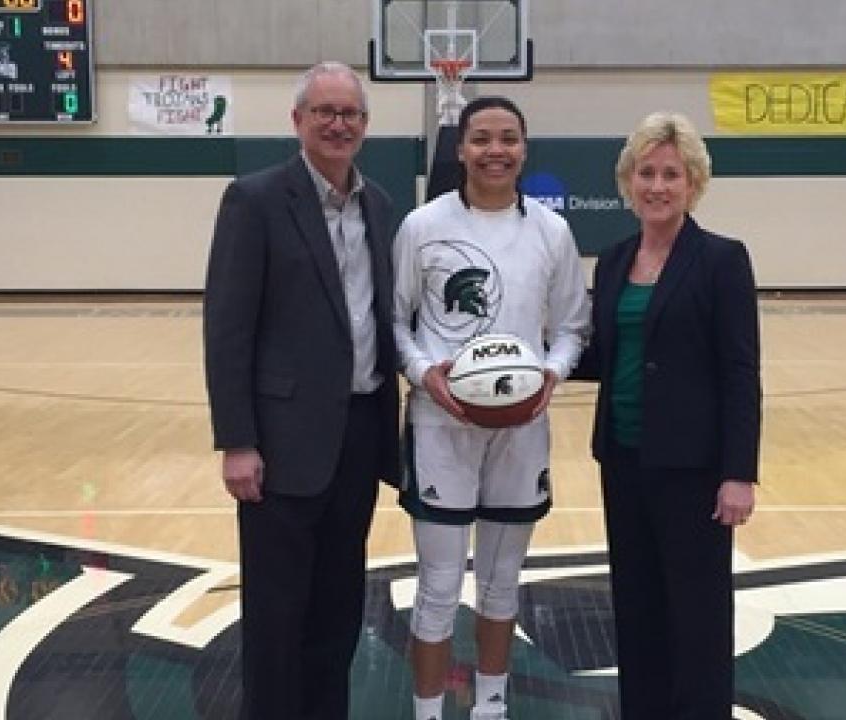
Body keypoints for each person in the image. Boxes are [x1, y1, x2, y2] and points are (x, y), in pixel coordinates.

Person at [202, 61, 399, 719]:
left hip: (359, 434)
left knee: (338, 610)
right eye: (325, 112)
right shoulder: (255, 200)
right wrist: (237, 441)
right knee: (276, 616)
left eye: (350, 113)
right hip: (281, 444)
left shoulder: (379, 204)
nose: (338, 124)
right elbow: (228, 328)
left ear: (365, 124)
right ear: (298, 120)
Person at [392, 96, 590, 720]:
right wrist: (425, 375)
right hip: (440, 425)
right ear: (461, 149)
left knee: (502, 584)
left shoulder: (551, 231)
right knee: (438, 587)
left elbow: (572, 327)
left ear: (524, 149)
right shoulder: (422, 225)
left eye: (508, 138)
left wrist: (550, 376)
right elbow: (395, 321)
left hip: (521, 428)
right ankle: (428, 713)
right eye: (481, 138)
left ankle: (491, 707)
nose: (495, 150)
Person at [583, 112, 761, 719]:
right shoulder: (613, 261)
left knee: (698, 615)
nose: (656, 186)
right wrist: (527, 360)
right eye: (646, 173)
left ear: (693, 184)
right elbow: (601, 356)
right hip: (623, 460)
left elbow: (740, 371)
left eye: (671, 174)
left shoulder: (721, 259)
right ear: (628, 180)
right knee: (636, 607)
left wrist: (739, 472)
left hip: (694, 469)